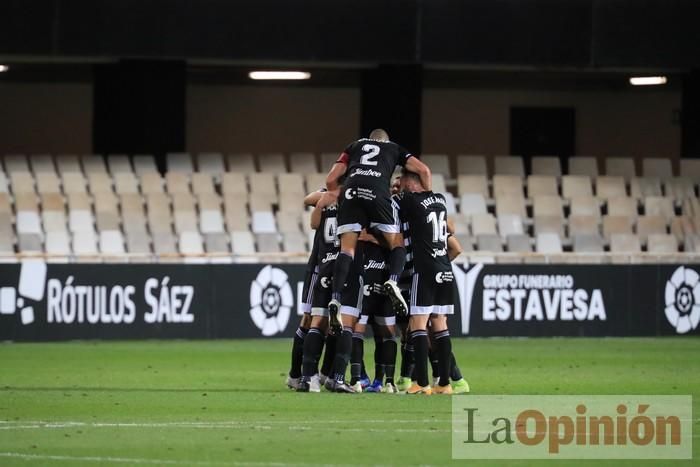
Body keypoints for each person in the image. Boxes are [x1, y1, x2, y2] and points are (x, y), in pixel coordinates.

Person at [323, 129, 431, 391]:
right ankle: (393, 281)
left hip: (350, 193)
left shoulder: (354, 145)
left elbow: (331, 179)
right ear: (384, 141)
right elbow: (423, 169)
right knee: (397, 244)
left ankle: (335, 297)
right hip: (376, 195)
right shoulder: (393, 148)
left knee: (346, 250)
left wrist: (337, 193)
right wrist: (428, 198)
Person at [395, 170, 456, 395]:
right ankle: (444, 384)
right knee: (440, 324)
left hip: (425, 269)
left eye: (401, 181)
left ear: (410, 181)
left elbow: (390, 206)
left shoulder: (409, 200)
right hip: (445, 268)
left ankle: (421, 382)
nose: (399, 186)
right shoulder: (440, 200)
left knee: (418, 323)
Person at [298, 190, 348, 392]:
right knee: (343, 322)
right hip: (343, 266)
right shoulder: (356, 197)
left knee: (318, 321)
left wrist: (324, 199)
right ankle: (326, 375)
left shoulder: (327, 198)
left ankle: (309, 377)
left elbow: (312, 220)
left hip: (324, 265)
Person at [286, 189, 327, 390]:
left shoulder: (356, 200)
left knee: (329, 323)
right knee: (310, 319)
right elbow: (308, 199)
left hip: (339, 268)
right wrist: (327, 195)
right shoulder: (328, 196)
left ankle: (321, 373)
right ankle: (297, 374)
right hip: (319, 267)